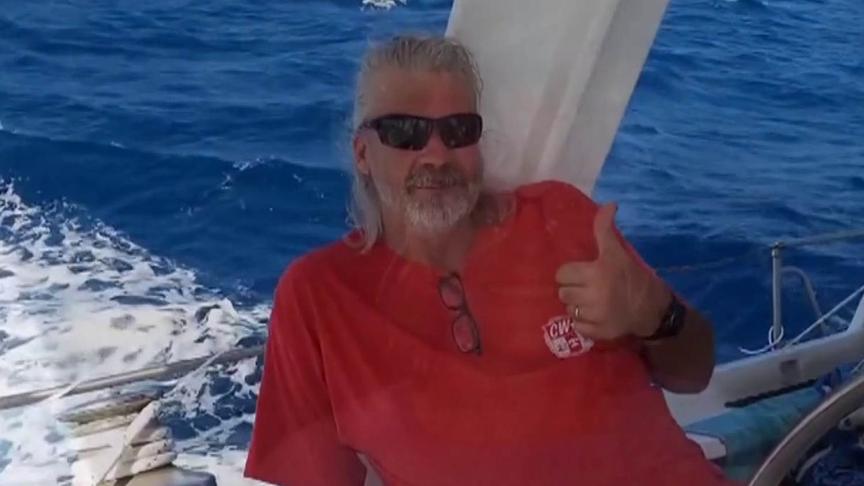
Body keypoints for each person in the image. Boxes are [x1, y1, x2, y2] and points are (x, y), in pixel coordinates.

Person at [245, 35, 738, 486]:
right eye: (405, 133)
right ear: (362, 154)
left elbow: (695, 373)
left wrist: (655, 313)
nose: (437, 155)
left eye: (458, 130)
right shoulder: (319, 298)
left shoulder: (563, 217)